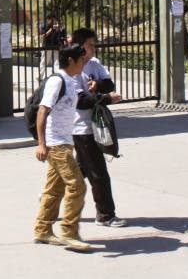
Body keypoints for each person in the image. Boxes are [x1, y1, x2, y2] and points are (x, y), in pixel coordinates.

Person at [33, 43, 110, 252]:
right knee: (77, 186)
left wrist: (96, 90)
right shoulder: (57, 81)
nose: (84, 64)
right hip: (56, 144)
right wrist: (42, 144)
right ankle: (69, 232)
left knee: (54, 189)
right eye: (81, 60)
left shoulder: (73, 79)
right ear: (70, 61)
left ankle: (42, 230)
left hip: (66, 141)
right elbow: (42, 111)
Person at [70, 27, 126, 227]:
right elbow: (80, 101)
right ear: (79, 46)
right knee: (98, 172)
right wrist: (107, 98)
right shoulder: (71, 69)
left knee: (79, 171)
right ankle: (105, 215)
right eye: (90, 45)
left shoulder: (94, 64)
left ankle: (51, 196)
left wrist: (99, 85)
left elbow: (109, 84)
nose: (94, 48)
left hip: (94, 124)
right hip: (81, 128)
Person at [38, 13, 66, 80]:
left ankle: (57, 76)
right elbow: (42, 36)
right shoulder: (44, 26)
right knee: (44, 62)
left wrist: (58, 29)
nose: (53, 21)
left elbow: (62, 35)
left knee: (56, 62)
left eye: (54, 20)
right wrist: (51, 29)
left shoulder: (58, 26)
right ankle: (40, 76)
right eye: (52, 20)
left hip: (56, 46)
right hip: (47, 46)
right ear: (48, 19)